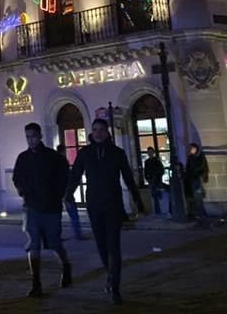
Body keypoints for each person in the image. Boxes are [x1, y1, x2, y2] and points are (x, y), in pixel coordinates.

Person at [67, 118, 144, 305]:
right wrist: (68, 194)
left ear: (107, 131)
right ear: (91, 132)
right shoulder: (85, 153)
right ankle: (110, 274)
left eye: (101, 129)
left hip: (113, 206)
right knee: (102, 247)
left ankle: (115, 288)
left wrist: (137, 200)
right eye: (94, 130)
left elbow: (128, 177)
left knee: (114, 247)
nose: (98, 133)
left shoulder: (117, 153)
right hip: (94, 205)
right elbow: (76, 174)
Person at [12, 122, 73, 298]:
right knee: (33, 245)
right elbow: (17, 178)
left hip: (51, 208)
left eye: (33, 136)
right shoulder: (23, 158)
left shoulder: (53, 157)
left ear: (39, 136)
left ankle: (66, 265)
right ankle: (36, 282)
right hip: (31, 208)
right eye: (27, 136)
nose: (30, 140)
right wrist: (22, 190)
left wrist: (58, 195)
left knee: (54, 244)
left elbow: (64, 177)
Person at [56, 143, 85, 240]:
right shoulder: (63, 162)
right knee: (73, 214)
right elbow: (67, 177)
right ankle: (78, 234)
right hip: (66, 191)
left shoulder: (54, 162)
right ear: (63, 151)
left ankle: (57, 236)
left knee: (58, 216)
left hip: (58, 191)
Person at [185, 143, 209, 219]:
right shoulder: (191, 157)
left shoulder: (195, 157)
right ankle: (200, 213)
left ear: (195, 149)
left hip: (196, 179)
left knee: (198, 197)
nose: (190, 150)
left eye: (192, 148)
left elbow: (195, 168)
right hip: (192, 179)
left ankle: (202, 213)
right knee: (196, 197)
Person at [144, 147, 166, 216]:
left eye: (151, 152)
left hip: (156, 179)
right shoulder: (147, 161)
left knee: (157, 195)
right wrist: (147, 178)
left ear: (153, 152)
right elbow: (145, 171)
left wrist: (157, 176)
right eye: (149, 152)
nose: (150, 153)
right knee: (154, 195)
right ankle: (158, 211)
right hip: (152, 180)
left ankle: (159, 211)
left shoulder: (156, 160)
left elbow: (161, 170)